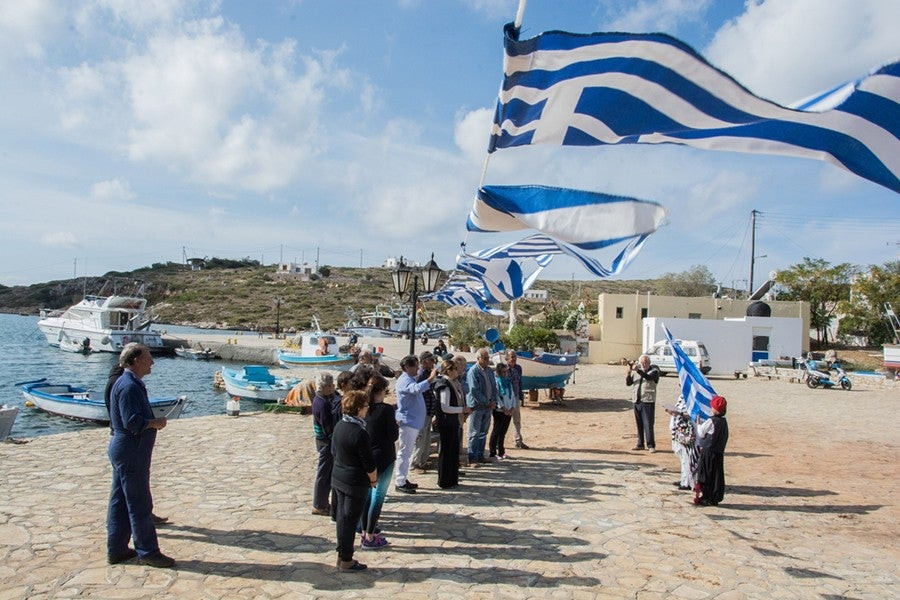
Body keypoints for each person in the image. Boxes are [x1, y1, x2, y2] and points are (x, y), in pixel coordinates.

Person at [106, 343, 174, 568]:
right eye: (148, 357)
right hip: (131, 452)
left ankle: (117, 549)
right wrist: (155, 422)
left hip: (126, 451)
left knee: (120, 501)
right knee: (139, 503)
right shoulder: (129, 386)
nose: (152, 361)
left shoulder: (128, 383)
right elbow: (132, 422)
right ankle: (148, 551)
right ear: (135, 360)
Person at [331, 390, 377, 572]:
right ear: (358, 409)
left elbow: (334, 451)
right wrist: (373, 480)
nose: (367, 409)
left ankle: (341, 554)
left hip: (339, 477)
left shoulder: (340, 425)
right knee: (349, 520)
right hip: (354, 482)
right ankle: (346, 559)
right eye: (365, 406)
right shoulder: (359, 433)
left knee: (342, 519)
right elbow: (369, 463)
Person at [361, 375, 396, 548]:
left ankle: (363, 530)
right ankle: (370, 535)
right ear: (381, 391)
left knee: (367, 494)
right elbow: (394, 435)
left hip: (367, 455)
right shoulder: (386, 410)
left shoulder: (364, 408)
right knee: (378, 496)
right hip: (384, 456)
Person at [394, 355, 437, 494]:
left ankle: (403, 478)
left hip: (413, 421)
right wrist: (430, 379)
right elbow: (416, 389)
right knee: (404, 453)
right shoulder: (404, 380)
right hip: (408, 421)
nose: (417, 369)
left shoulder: (409, 379)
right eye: (415, 366)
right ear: (407, 367)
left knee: (407, 452)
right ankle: (399, 481)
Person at [433, 359, 467, 488]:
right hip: (447, 422)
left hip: (453, 422)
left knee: (453, 451)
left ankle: (452, 478)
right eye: (455, 369)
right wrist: (461, 410)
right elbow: (445, 407)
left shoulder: (453, 383)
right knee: (446, 452)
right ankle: (444, 480)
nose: (458, 372)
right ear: (450, 371)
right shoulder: (444, 385)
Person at [312, 373, 342, 516]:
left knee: (327, 473)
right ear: (325, 387)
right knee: (324, 473)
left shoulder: (325, 398)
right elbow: (327, 427)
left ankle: (323, 503)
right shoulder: (321, 403)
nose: (334, 388)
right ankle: (319, 504)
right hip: (326, 442)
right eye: (331, 385)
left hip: (325, 440)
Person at [695, 395, 729, 506]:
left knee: (706, 474)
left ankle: (707, 496)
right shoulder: (724, 422)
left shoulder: (711, 421)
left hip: (708, 452)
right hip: (718, 453)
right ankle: (714, 497)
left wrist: (698, 423)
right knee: (716, 475)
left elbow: (701, 432)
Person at [466, 348, 498, 465]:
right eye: (485, 358)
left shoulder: (489, 370)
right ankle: (472, 457)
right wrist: (486, 402)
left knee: (483, 431)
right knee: (474, 432)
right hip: (477, 406)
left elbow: (493, 386)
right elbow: (474, 390)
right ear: (478, 359)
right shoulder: (473, 371)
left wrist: (493, 401)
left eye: (488, 358)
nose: (487, 360)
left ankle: (480, 455)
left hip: (488, 406)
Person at [625, 354, 660, 452]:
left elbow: (648, 377)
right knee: (639, 423)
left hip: (648, 401)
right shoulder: (637, 373)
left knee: (648, 424)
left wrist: (638, 370)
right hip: (637, 401)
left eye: (645, 363)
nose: (643, 364)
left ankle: (651, 445)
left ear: (649, 363)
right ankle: (640, 443)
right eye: (642, 363)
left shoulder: (654, 372)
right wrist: (628, 374)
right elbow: (629, 383)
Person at [411, 351, 438, 473]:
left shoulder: (427, 373)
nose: (433, 363)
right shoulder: (422, 374)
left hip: (428, 411)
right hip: (422, 412)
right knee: (420, 438)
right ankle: (415, 463)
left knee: (426, 437)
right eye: (431, 360)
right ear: (425, 361)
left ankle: (422, 461)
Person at [664, 396, 697, 490]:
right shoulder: (682, 395)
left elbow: (691, 414)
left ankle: (688, 482)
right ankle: (684, 479)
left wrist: (679, 413)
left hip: (686, 433)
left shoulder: (692, 395)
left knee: (687, 458)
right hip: (679, 432)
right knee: (683, 459)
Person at [488, 362, 515, 460]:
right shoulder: (496, 382)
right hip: (500, 411)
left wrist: (512, 407)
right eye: (503, 371)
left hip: (509, 410)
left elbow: (512, 395)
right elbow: (497, 397)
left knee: (503, 432)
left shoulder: (508, 381)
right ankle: (492, 451)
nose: (505, 373)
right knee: (497, 431)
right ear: (499, 372)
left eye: (506, 371)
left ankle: (501, 451)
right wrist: (503, 408)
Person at [505, 350, 529, 449]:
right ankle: (499, 443)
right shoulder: (504, 369)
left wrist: (520, 396)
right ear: (507, 358)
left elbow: (519, 382)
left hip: (515, 396)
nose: (514, 359)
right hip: (506, 398)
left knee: (517, 420)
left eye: (515, 356)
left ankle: (518, 441)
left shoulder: (518, 368)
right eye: (512, 357)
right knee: (504, 421)